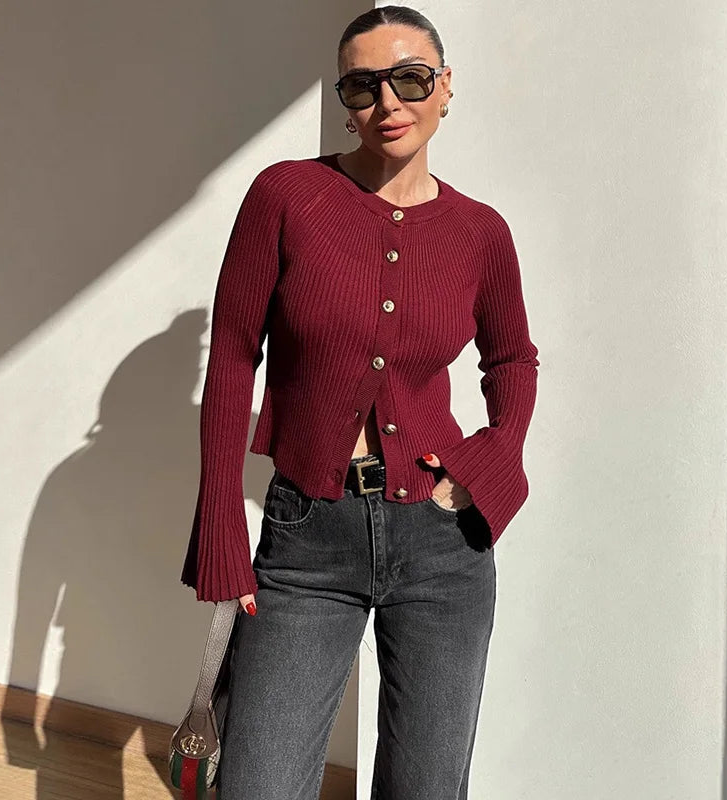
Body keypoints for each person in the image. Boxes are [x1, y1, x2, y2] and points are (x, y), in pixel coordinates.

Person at [180, 5, 540, 798]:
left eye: (410, 78)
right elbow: (236, 355)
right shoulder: (287, 196)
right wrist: (221, 532)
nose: (389, 102)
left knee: (426, 787)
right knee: (257, 785)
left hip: (445, 544)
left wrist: (488, 463)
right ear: (346, 98)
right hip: (307, 538)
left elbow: (511, 358)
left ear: (445, 89)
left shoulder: (481, 232)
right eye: (364, 84)